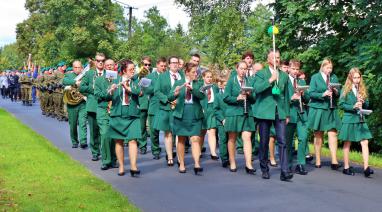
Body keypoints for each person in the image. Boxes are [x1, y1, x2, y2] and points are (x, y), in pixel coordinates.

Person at [253, 49, 293, 181]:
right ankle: (264, 168)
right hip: (264, 112)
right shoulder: (261, 74)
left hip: (280, 111)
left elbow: (286, 96)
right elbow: (256, 89)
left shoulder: (285, 76)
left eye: (278, 57)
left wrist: (287, 114)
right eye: (274, 57)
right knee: (264, 141)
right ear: (268, 60)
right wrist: (271, 80)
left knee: (282, 141)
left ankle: (284, 171)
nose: (277, 60)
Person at [107, 59, 141, 177]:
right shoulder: (115, 80)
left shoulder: (136, 81)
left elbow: (139, 92)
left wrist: (128, 88)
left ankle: (133, 166)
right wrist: (111, 91)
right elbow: (106, 95)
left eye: (134, 69)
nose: (133, 71)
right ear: (124, 70)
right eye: (131, 69)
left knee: (133, 140)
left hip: (132, 114)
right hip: (118, 114)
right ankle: (121, 166)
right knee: (119, 141)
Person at [170, 63, 205, 174]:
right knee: (181, 139)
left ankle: (197, 164)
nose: (196, 74)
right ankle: (182, 164)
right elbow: (169, 97)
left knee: (195, 139)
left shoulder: (198, 83)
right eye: (193, 72)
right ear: (187, 73)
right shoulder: (179, 82)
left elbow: (202, 96)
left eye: (196, 72)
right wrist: (175, 94)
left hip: (194, 113)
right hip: (181, 113)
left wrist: (192, 89)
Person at [338, 68, 373, 177]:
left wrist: (363, 101)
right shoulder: (345, 89)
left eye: (358, 77)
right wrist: (353, 106)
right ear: (350, 78)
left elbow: (367, 104)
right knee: (347, 142)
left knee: (365, 142)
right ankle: (346, 167)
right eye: (355, 78)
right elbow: (341, 104)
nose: (357, 80)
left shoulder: (362, 89)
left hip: (360, 118)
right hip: (349, 118)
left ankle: (366, 167)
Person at [307, 58, 341, 170]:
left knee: (333, 133)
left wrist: (335, 92)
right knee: (318, 134)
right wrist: (323, 94)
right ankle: (317, 159)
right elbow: (311, 93)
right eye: (327, 68)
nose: (329, 70)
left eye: (331, 68)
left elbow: (339, 93)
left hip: (331, 108)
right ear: (322, 67)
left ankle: (334, 160)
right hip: (319, 109)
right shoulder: (315, 77)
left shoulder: (334, 77)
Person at [224, 61, 256, 174]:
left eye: (245, 69)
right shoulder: (231, 81)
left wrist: (249, 94)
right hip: (233, 112)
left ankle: (249, 164)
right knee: (232, 138)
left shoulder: (249, 81)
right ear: (237, 69)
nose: (243, 71)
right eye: (241, 69)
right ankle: (232, 162)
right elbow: (225, 97)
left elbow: (255, 98)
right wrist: (236, 98)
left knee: (247, 137)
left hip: (247, 112)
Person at [153, 56, 184, 166]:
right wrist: (167, 99)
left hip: (180, 107)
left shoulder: (183, 76)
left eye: (177, 62)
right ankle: (170, 157)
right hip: (166, 107)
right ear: (169, 64)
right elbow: (156, 91)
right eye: (173, 63)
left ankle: (180, 158)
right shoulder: (162, 76)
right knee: (168, 133)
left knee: (179, 133)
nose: (175, 64)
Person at [285, 59, 310, 175]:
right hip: (289, 113)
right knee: (288, 141)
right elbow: (280, 98)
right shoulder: (284, 81)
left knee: (303, 138)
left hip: (302, 114)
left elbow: (308, 99)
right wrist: (291, 98)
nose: (295, 71)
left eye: (297, 69)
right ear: (289, 69)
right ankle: (288, 164)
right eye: (293, 69)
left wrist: (304, 94)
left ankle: (301, 164)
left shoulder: (301, 81)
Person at [94, 59, 118, 170]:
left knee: (114, 136)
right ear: (104, 66)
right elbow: (97, 95)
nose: (109, 67)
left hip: (116, 111)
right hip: (103, 110)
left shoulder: (119, 79)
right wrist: (109, 91)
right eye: (107, 65)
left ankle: (113, 159)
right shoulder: (98, 80)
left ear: (114, 66)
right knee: (104, 134)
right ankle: (106, 160)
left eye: (111, 65)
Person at [80, 53, 104, 160]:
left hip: (105, 106)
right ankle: (95, 152)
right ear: (95, 61)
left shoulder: (109, 74)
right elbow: (82, 87)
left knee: (104, 131)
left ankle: (105, 152)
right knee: (94, 131)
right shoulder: (89, 73)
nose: (100, 62)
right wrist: (93, 88)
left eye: (102, 61)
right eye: (98, 60)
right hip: (92, 106)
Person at [145, 57, 167, 159]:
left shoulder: (168, 76)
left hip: (165, 105)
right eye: (161, 66)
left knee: (168, 130)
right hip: (154, 106)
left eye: (164, 66)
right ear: (157, 65)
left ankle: (169, 151)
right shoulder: (149, 76)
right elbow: (145, 90)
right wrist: (156, 88)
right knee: (154, 131)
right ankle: (155, 150)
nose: (163, 68)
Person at [62, 61, 88, 149]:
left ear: (82, 68)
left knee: (83, 122)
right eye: (75, 67)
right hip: (72, 104)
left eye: (79, 67)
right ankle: (74, 141)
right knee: (72, 124)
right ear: (73, 68)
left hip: (82, 103)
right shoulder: (69, 75)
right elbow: (64, 81)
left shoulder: (85, 76)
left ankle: (83, 141)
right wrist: (75, 82)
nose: (77, 69)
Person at [200, 70, 219, 160]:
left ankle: (213, 152)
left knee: (212, 131)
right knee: (202, 132)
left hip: (212, 110)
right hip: (203, 109)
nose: (209, 78)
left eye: (211, 77)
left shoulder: (215, 87)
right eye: (207, 77)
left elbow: (218, 98)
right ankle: (198, 150)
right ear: (203, 77)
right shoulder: (200, 87)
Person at [137, 56, 152, 155]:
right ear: (141, 65)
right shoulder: (136, 75)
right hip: (141, 103)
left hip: (151, 103)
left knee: (153, 128)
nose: (147, 66)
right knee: (141, 126)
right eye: (145, 64)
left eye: (149, 65)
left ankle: (155, 147)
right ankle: (142, 145)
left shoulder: (153, 75)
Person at [214, 73, 229, 167]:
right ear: (221, 85)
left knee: (231, 140)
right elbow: (216, 109)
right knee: (223, 139)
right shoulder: (218, 96)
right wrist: (222, 119)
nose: (227, 86)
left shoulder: (231, 94)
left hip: (231, 119)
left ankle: (230, 157)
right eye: (225, 84)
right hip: (221, 121)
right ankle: (224, 158)